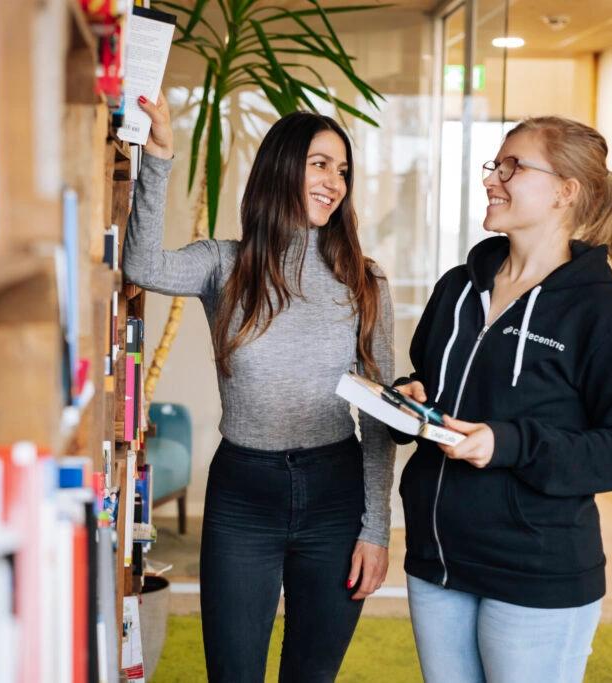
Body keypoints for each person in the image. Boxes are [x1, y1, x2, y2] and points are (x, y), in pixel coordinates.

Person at [124, 93, 396, 681]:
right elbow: (141, 265)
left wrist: (376, 529)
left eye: (343, 169)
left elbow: (378, 414)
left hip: (335, 494)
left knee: (311, 675)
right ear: (281, 168)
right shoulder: (225, 263)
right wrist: (160, 156)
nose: (335, 181)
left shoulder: (364, 279)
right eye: (320, 163)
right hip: (244, 495)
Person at [394, 116, 612, 683]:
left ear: (566, 191)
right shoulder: (457, 288)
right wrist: (407, 400)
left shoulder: (604, 316)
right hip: (437, 559)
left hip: (537, 570)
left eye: (513, 167)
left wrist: (507, 443)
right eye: (495, 165)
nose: (493, 178)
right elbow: (435, 384)